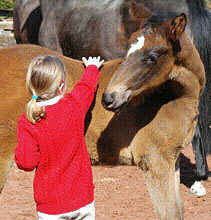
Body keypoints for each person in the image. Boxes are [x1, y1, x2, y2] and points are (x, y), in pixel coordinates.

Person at [14, 55, 104, 220]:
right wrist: (92, 68)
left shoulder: (28, 121)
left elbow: (26, 163)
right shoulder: (74, 105)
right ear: (62, 85)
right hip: (82, 199)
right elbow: (86, 88)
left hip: (51, 207)